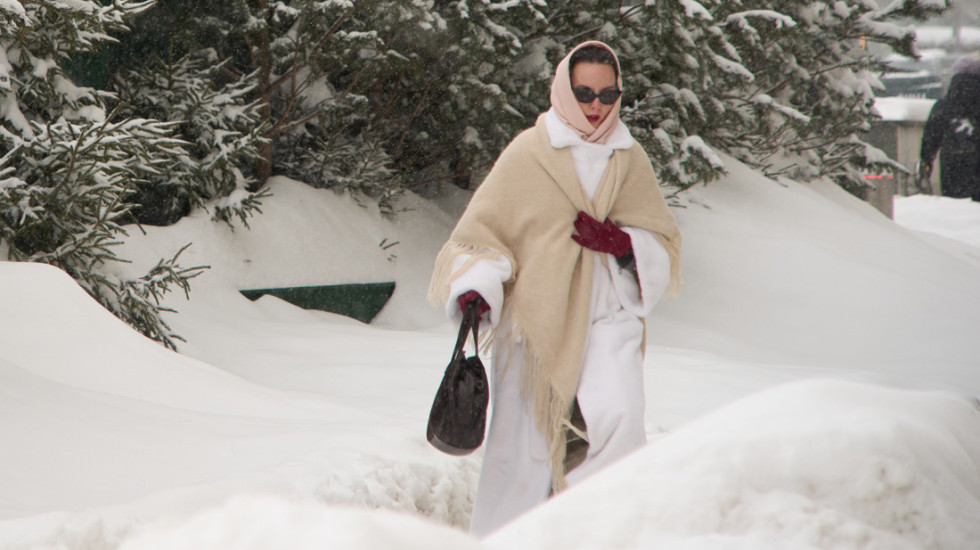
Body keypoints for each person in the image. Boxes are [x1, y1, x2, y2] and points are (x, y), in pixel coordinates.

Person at [427, 41, 682, 537]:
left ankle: (601, 535)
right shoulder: (530, 151)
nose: (596, 105)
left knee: (619, 418)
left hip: (609, 315)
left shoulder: (629, 158)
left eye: (609, 94)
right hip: (535, 320)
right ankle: (508, 539)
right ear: (564, 88)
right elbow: (484, 234)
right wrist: (478, 286)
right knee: (522, 450)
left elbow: (664, 242)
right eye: (584, 91)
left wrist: (624, 244)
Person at [919, 54, 980, 201]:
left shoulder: (943, 106)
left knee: (953, 208)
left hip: (952, 164)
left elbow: (930, 138)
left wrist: (926, 163)